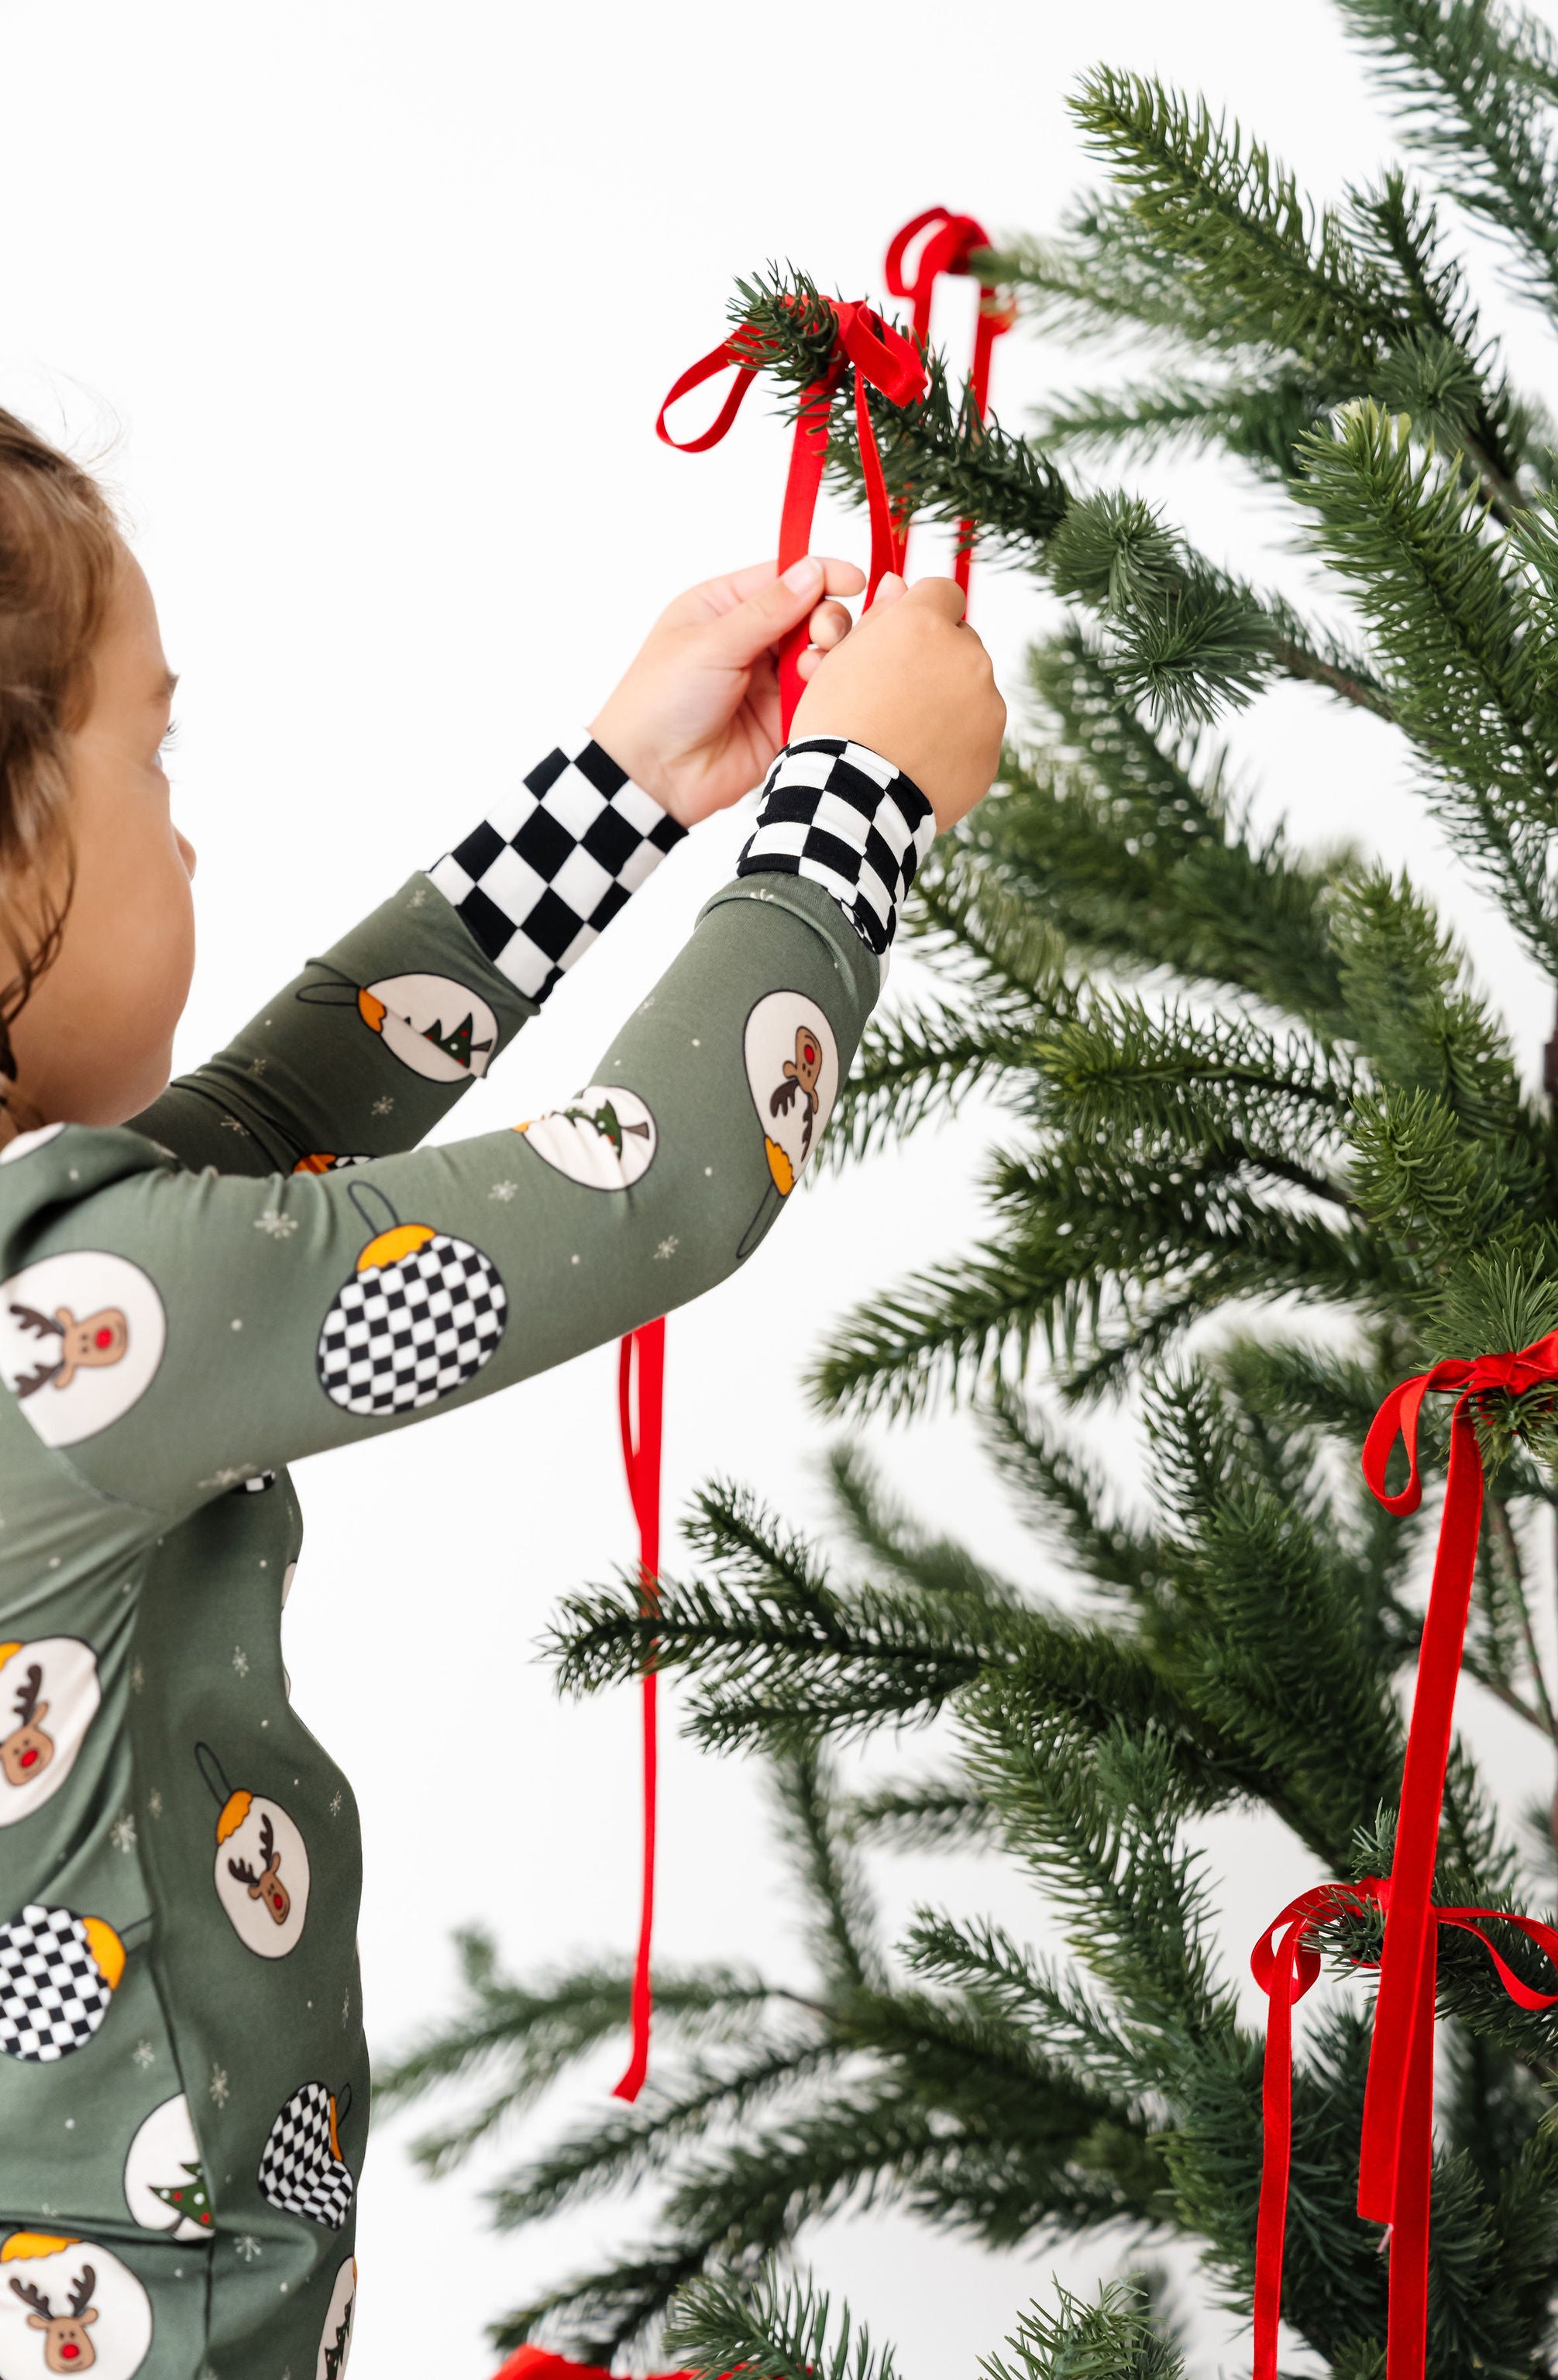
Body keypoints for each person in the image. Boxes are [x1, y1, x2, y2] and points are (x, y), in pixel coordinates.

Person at [0, 405, 1005, 2378]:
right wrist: (859, 804)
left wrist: (619, 792)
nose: (184, 833)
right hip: (150, 2311)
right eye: (151, 757)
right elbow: (660, 1182)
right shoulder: (78, 1315)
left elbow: (276, 1121)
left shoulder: (64, 1275)